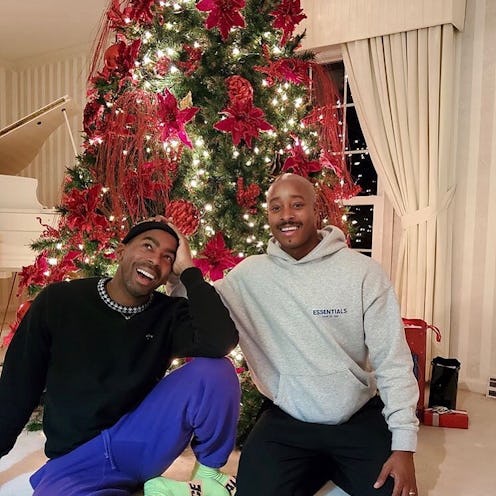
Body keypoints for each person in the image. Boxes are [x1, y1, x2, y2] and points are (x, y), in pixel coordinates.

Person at [213, 173, 420, 496]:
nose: (286, 216)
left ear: (316, 210)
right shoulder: (249, 275)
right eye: (276, 207)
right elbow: (202, 305)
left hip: (355, 416)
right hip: (288, 419)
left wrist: (404, 446)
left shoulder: (363, 272)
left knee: (396, 491)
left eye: (297, 205)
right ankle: (319, 468)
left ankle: (334, 467)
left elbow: (392, 360)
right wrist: (179, 267)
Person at [0, 218, 240, 496]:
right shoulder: (59, 301)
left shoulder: (169, 313)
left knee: (216, 370)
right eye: (148, 246)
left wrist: (189, 272)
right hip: (75, 461)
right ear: (121, 251)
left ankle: (208, 477)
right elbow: (18, 387)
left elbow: (221, 341)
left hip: (139, 444)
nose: (155, 260)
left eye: (167, 257)